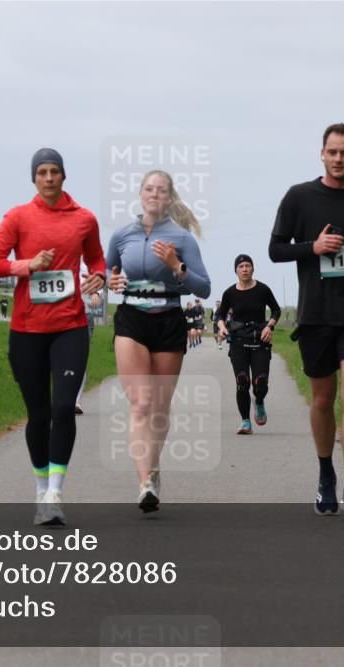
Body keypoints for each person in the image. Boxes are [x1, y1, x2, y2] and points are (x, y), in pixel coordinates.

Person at [268, 123, 344, 521]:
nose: (339, 159)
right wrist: (314, 247)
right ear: (321, 154)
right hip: (316, 313)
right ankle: (326, 476)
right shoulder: (299, 197)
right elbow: (275, 250)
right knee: (323, 399)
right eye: (332, 152)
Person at [0, 148, 106, 526]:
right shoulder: (18, 217)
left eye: (54, 172)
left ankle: (55, 492)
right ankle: (39, 489)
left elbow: (97, 259)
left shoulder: (84, 219)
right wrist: (27, 265)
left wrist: (98, 276)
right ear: (34, 179)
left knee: (64, 408)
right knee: (38, 414)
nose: (49, 178)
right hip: (26, 329)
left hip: (69, 326)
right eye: (42, 172)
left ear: (64, 176)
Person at [106, 170, 211, 513]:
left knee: (160, 410)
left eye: (161, 191)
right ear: (140, 194)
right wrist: (113, 281)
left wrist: (176, 266)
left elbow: (204, 287)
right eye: (149, 189)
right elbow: (106, 273)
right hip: (131, 321)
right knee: (139, 404)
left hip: (168, 321)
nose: (154, 195)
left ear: (169, 198)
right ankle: (145, 482)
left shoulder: (181, 238)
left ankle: (153, 467)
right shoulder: (122, 235)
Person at [216, 254, 281, 435]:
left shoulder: (262, 290)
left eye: (247, 266)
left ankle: (259, 401)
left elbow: (276, 309)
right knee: (242, 381)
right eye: (241, 266)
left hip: (260, 340)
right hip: (238, 341)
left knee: (260, 382)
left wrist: (270, 326)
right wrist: (221, 326)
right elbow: (220, 314)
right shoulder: (230, 293)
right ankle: (245, 421)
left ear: (253, 268)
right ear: (236, 270)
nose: (244, 269)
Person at [75, 291, 103, 415]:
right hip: (59, 314)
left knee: (80, 358)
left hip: (84, 315)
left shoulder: (87, 271)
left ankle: (76, 401)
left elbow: (99, 275)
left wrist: (96, 292)